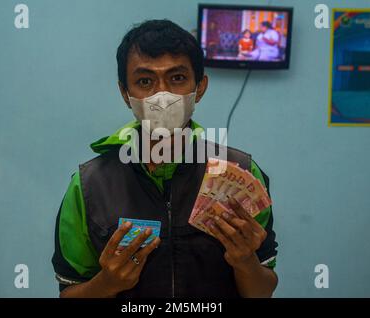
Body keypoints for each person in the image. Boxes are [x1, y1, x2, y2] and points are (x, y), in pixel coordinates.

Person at [51, 19, 278, 298]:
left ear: (200, 87)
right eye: (145, 81)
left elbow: (262, 292)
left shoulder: (240, 171)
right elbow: (68, 292)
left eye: (177, 78)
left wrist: (245, 262)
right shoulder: (89, 186)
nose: (162, 95)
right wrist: (108, 283)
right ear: (125, 93)